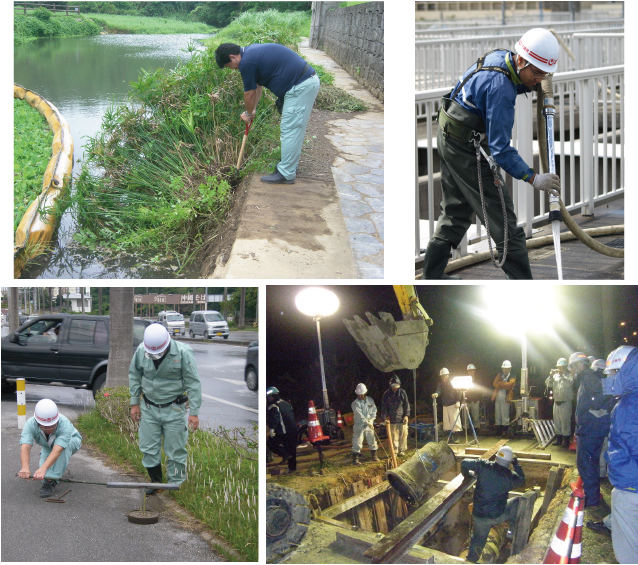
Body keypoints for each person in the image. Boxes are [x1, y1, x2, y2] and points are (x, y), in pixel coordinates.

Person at [422, 28, 561, 280]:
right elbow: (500, 149)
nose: (540, 79)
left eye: (545, 74)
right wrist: (532, 177)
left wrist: (537, 83)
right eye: (537, 73)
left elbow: (514, 82)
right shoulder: (500, 88)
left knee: (455, 213)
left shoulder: (501, 57)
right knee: (505, 222)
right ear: (521, 60)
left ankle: (432, 276)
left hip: (450, 134)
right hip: (467, 147)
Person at [215, 42, 320, 185]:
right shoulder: (251, 53)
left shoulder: (246, 63)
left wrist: (248, 112)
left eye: (229, 66)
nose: (232, 69)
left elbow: (249, 94)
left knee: (291, 130)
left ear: (233, 57)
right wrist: (252, 111)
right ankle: (287, 166)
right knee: (291, 129)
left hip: (300, 86)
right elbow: (257, 86)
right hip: (301, 84)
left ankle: (286, 173)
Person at [129, 323, 201, 495]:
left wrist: (194, 413)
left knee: (175, 448)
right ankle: (156, 482)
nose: (156, 355)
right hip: (148, 407)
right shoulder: (141, 350)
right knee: (148, 447)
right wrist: (134, 402)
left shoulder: (183, 352)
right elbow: (134, 374)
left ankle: (176, 485)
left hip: (173, 408)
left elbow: (193, 382)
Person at [586, 346, 638, 563]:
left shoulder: (628, 405)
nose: (609, 379)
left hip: (630, 487)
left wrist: (613, 461)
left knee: (628, 550)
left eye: (613, 373)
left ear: (626, 371)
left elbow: (629, 444)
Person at [461, 446, 526, 563]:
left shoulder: (483, 465)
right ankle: (511, 531)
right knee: (518, 501)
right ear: (509, 462)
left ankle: (471, 560)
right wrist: (517, 464)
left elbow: (464, 463)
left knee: (478, 540)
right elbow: (522, 480)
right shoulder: (510, 476)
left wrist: (468, 474)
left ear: (496, 457)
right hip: (497, 516)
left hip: (479, 516)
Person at [569, 351, 616, 509]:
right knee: (590, 463)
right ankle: (592, 496)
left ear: (579, 365)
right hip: (591, 428)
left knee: (587, 464)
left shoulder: (589, 378)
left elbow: (607, 396)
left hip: (590, 429)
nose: (572, 371)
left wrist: (598, 411)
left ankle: (592, 499)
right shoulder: (588, 378)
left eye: (572, 367)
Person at [18, 399, 82, 498]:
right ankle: (48, 478)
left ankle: (51, 481)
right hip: (48, 446)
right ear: (38, 422)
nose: (50, 429)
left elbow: (58, 450)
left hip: (72, 441)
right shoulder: (30, 424)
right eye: (46, 427)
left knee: (49, 469)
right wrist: (25, 467)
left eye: (53, 426)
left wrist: (43, 469)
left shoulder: (65, 424)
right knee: (43, 473)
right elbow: (25, 446)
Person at [266, 387, 297, 472]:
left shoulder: (274, 406)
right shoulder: (286, 403)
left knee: (271, 444)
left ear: (272, 396)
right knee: (292, 450)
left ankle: (284, 454)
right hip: (293, 430)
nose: (268, 399)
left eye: (269, 397)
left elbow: (275, 418)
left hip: (282, 431)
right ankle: (292, 469)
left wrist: (272, 429)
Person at [545, 357, 574, 447]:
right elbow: (547, 384)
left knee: (565, 422)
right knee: (557, 422)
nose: (560, 369)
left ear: (566, 367)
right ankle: (559, 439)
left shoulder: (569, 375)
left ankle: (566, 440)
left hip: (566, 402)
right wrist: (550, 376)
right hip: (556, 402)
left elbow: (569, 383)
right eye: (559, 367)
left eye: (562, 367)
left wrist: (562, 375)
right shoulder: (555, 376)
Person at [380, 374, 410, 456]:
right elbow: (384, 407)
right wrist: (385, 417)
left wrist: (406, 415)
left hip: (402, 418)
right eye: (393, 386)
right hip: (392, 419)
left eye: (396, 386)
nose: (395, 388)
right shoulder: (386, 394)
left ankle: (402, 450)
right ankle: (395, 452)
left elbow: (406, 405)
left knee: (403, 435)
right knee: (393, 437)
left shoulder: (402, 393)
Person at [351, 383, 378, 465]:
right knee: (357, 442)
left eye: (361, 394)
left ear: (365, 393)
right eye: (359, 395)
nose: (360, 396)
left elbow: (374, 410)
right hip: (359, 425)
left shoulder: (370, 400)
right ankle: (355, 459)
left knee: (372, 440)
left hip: (369, 424)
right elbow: (360, 416)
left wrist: (372, 420)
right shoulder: (355, 404)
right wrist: (368, 422)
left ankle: (374, 456)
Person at [433, 368, 462, 444]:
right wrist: (436, 394)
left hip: (453, 404)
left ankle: (457, 437)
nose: (443, 377)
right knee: (447, 422)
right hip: (445, 404)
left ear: (447, 375)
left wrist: (458, 401)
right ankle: (450, 437)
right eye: (442, 376)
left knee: (455, 421)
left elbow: (459, 391)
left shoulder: (453, 382)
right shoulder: (441, 383)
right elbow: (439, 390)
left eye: (444, 376)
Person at [492, 361, 516, 436]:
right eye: (504, 369)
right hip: (498, 397)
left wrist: (500, 384)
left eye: (507, 369)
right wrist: (502, 384)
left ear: (510, 369)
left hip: (506, 398)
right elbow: (494, 383)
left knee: (505, 415)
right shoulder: (500, 375)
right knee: (498, 414)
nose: (505, 370)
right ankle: (499, 431)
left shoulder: (512, 376)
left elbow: (510, 385)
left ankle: (505, 431)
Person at [466, 363, 481, 432]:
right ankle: (466, 429)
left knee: (475, 416)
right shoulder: (465, 379)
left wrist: (479, 398)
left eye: (472, 370)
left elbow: (480, 389)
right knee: (465, 416)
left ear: (474, 371)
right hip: (467, 400)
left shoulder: (478, 379)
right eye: (469, 371)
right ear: (467, 371)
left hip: (475, 399)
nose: (471, 372)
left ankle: (476, 429)